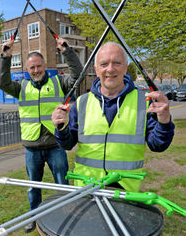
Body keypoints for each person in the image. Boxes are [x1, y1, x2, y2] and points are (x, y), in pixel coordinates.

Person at [52, 42, 175, 191]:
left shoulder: (144, 102)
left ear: (125, 67)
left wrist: (164, 122)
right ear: (96, 70)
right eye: (104, 64)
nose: (110, 69)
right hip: (86, 188)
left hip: (125, 191)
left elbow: (158, 145)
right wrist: (61, 127)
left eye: (117, 63)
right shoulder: (82, 103)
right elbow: (67, 144)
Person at [0, 37, 82, 232]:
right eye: (32, 68)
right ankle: (33, 217)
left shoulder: (59, 82)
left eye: (38, 66)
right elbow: (2, 82)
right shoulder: (21, 88)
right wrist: (5, 56)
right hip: (32, 148)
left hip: (56, 145)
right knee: (33, 186)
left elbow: (77, 75)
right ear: (27, 70)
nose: (36, 70)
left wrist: (66, 51)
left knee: (62, 184)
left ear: (45, 66)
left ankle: (65, 216)